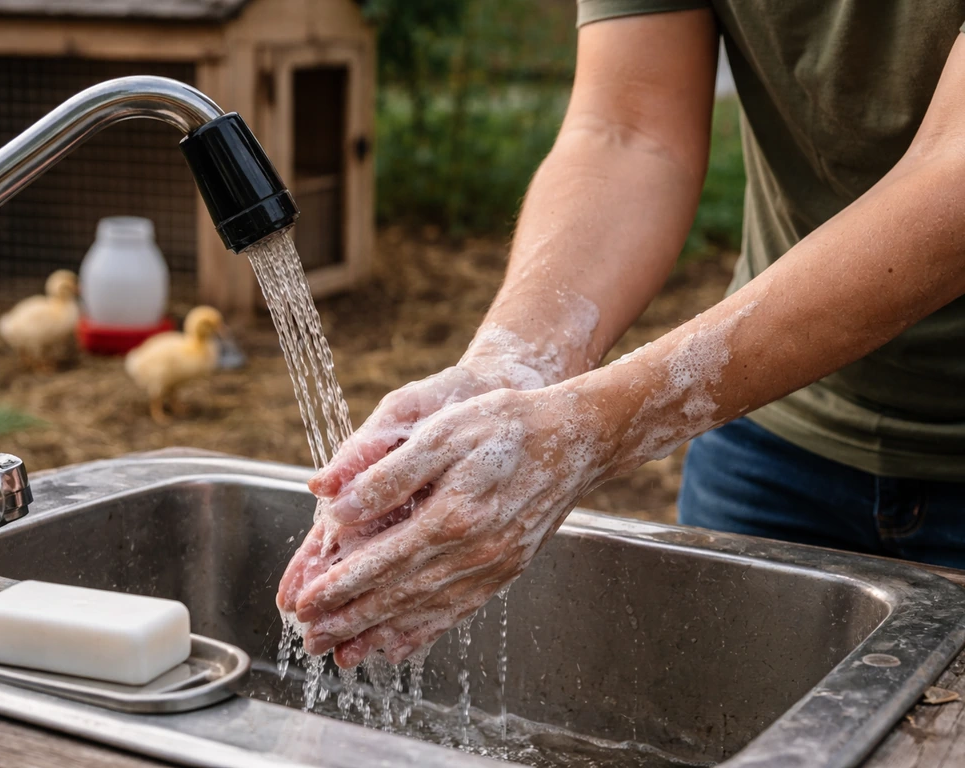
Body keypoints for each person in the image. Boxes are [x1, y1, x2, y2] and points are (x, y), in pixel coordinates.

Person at [279, 2, 965, 668]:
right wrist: (507, 367)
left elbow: (955, 173)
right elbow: (629, 131)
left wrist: (599, 425)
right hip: (771, 432)